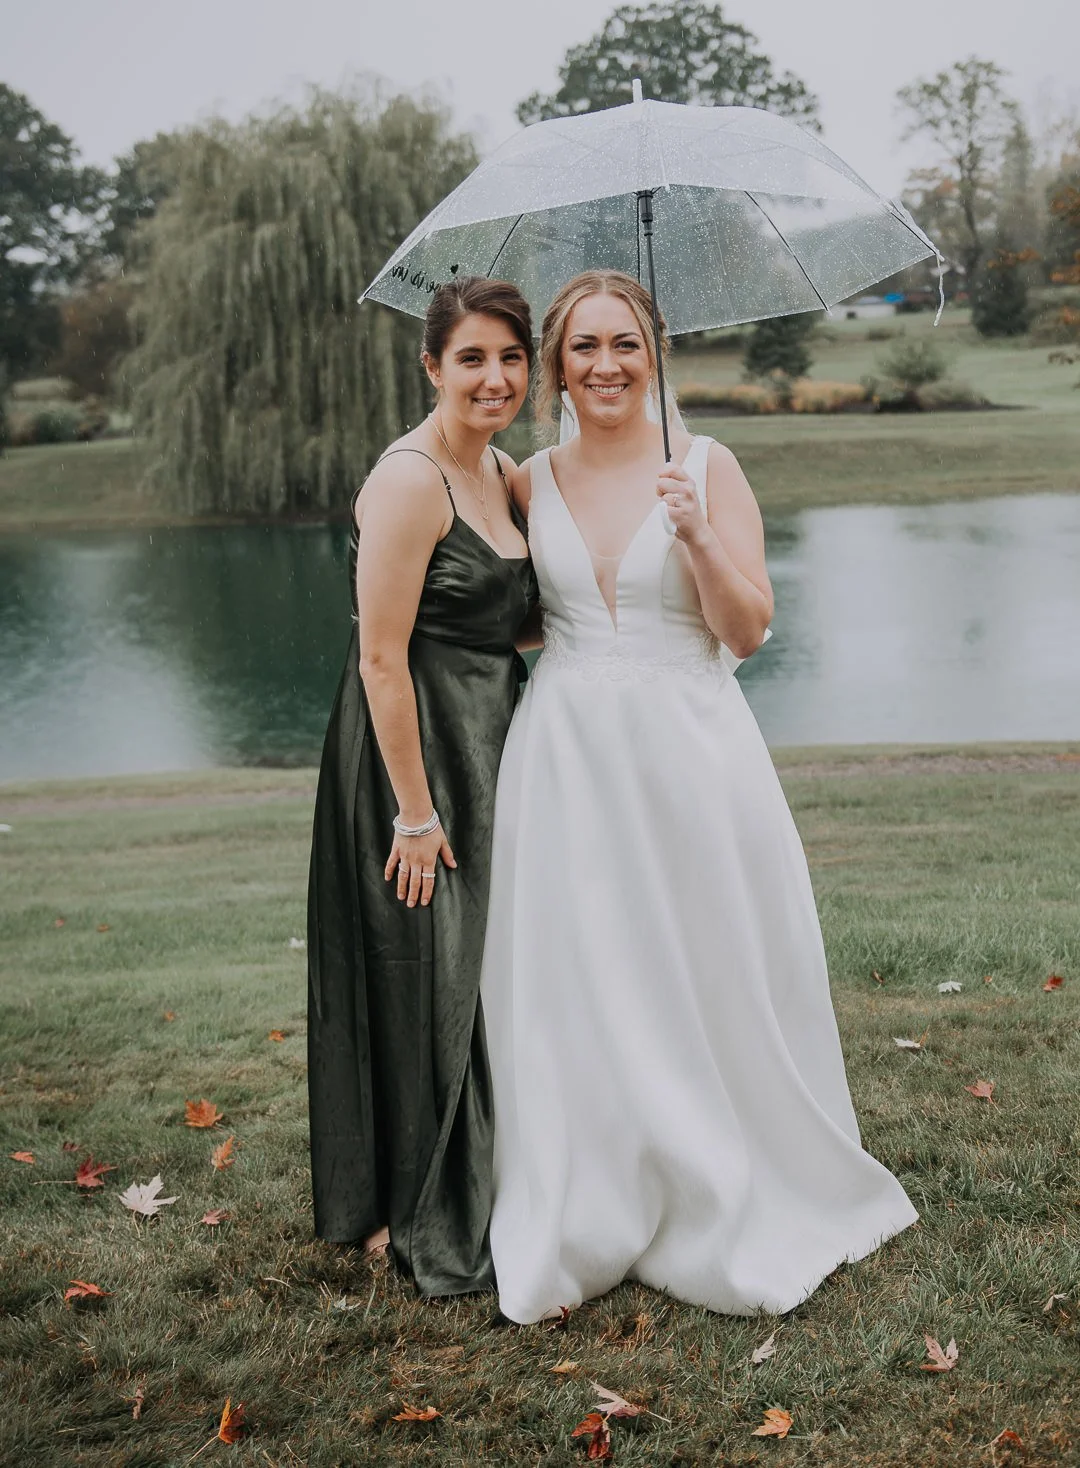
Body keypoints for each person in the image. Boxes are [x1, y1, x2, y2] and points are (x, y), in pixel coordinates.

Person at [480, 270, 917, 1324]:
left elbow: (748, 630)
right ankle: (594, 1181)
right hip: (569, 753)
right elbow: (524, 615)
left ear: (657, 349)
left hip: (691, 747)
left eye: (625, 342)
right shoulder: (528, 478)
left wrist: (698, 535)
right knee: (585, 966)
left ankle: (724, 1174)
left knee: (700, 956)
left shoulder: (708, 466)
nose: (605, 364)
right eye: (583, 346)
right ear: (556, 363)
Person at [307, 276, 538, 1297]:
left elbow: (514, 616)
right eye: (472, 359)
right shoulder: (410, 481)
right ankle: (412, 1197)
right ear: (431, 366)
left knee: (486, 967)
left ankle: (499, 1159)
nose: (494, 378)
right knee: (426, 967)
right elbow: (382, 657)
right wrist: (413, 810)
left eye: (511, 358)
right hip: (414, 755)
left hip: (494, 738)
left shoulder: (502, 470)